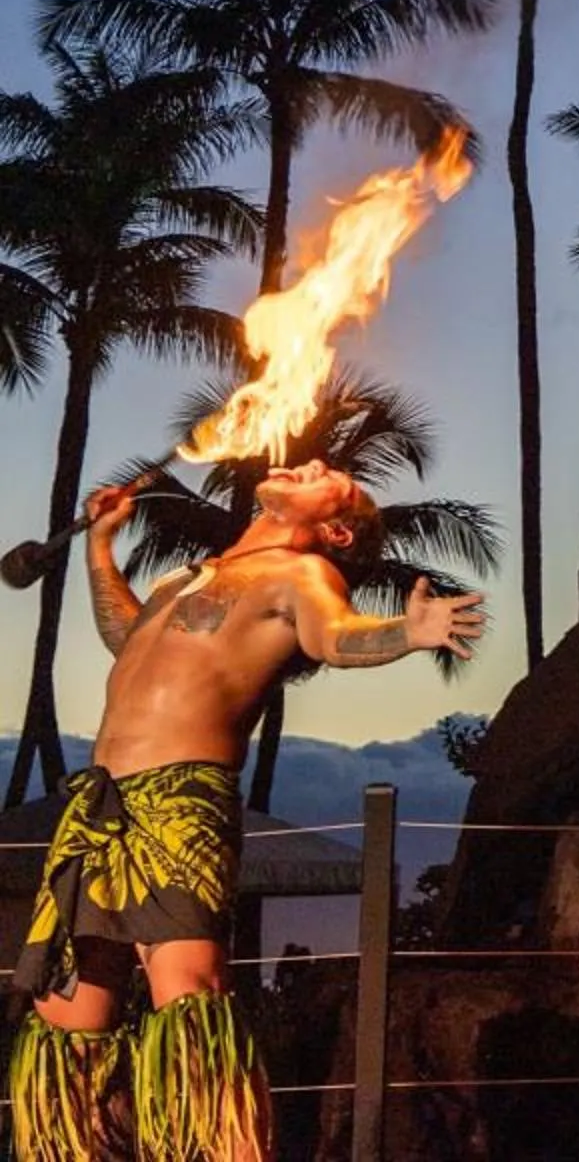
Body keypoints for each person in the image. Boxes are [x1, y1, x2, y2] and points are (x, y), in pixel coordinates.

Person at [9, 459, 487, 1162]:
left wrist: (405, 634)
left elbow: (334, 638)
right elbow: (129, 639)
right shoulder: (189, 578)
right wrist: (99, 548)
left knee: (190, 1009)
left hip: (181, 801)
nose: (315, 462)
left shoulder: (301, 577)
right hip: (98, 809)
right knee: (68, 1021)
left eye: (336, 480)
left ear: (331, 528)